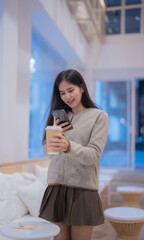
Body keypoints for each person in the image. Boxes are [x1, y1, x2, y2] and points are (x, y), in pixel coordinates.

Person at [39, 69, 108, 240]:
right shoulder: (60, 116)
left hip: (82, 191)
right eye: (62, 93)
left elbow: (94, 155)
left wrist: (69, 146)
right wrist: (54, 134)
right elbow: (49, 153)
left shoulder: (98, 116)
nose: (67, 96)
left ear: (82, 87)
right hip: (56, 189)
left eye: (71, 90)